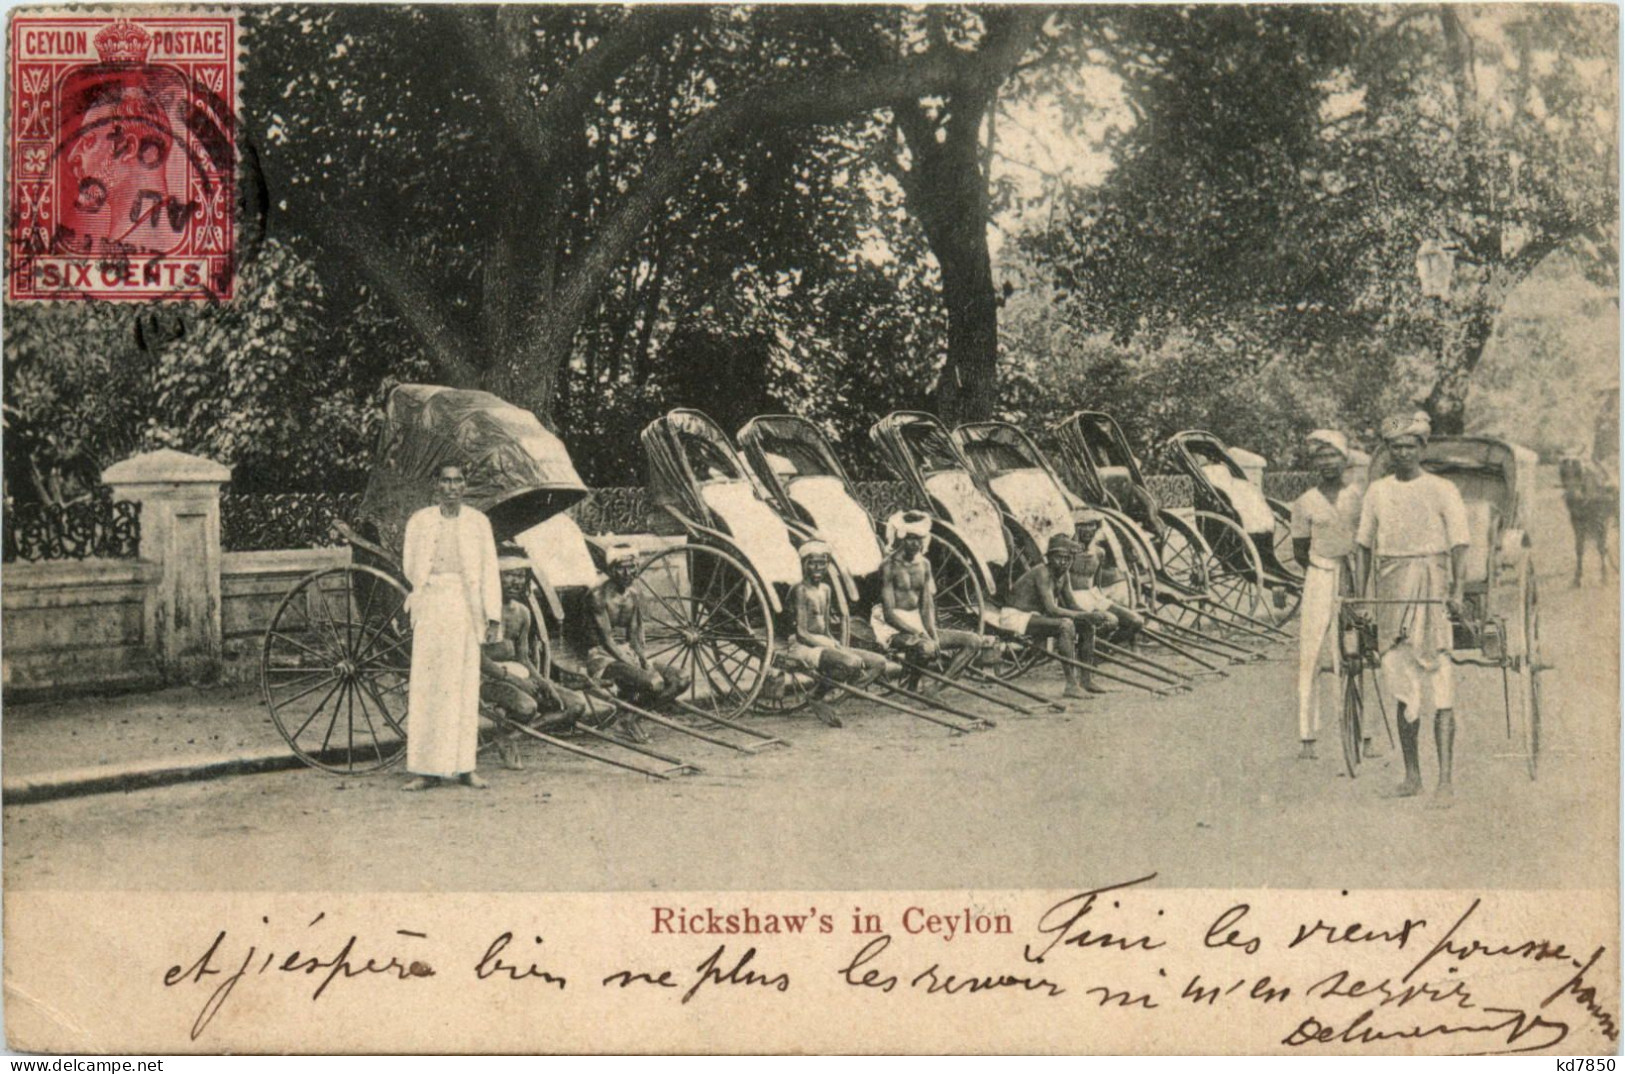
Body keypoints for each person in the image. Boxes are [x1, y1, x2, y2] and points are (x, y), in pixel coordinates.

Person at [1356, 412, 1470, 804]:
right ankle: (1412, 775)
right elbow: (1364, 547)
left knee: (1439, 679)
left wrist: (1457, 589)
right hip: (1391, 588)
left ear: (1422, 447)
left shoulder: (1442, 489)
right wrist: (1362, 595)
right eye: (1395, 446)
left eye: (1409, 445)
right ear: (1387, 450)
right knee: (1400, 679)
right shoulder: (1377, 492)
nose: (1402, 452)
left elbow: (1458, 543)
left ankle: (1446, 782)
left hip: (1432, 585)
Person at [401, 463, 502, 791]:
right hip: (431, 605)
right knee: (428, 686)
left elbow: (489, 571)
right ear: (436, 485)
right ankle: (425, 770)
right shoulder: (420, 521)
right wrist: (426, 589)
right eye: (445, 481)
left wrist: (492, 616)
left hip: (464, 606)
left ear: (465, 486)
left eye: (457, 481)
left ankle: (465, 767)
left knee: (463, 686)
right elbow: (410, 565)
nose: (451, 487)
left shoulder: (478, 523)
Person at [1289, 430, 1365, 761]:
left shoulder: (1358, 497)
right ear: (1315, 462)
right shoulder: (1306, 501)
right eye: (1321, 456)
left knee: (1358, 652)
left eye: (1333, 455)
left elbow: (1366, 541)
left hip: (1353, 576)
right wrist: (1322, 570)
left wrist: (1355, 578)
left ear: (1344, 459)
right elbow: (1300, 549)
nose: (1327, 462)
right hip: (1319, 574)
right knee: (1311, 651)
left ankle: (1366, 733)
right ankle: (1307, 734)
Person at [480, 568, 588, 770]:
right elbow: (478, 659)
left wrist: (543, 682)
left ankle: (510, 737)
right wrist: (515, 680)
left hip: (517, 674)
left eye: (520, 576)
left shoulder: (522, 612)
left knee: (575, 704)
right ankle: (509, 732)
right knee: (527, 707)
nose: (516, 581)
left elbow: (522, 657)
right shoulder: (481, 610)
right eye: (509, 575)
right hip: (487, 678)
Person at [586, 542, 690, 742]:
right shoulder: (598, 597)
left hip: (626, 653)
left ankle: (629, 718)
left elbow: (634, 635)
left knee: (681, 679)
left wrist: (643, 659)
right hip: (602, 658)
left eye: (631, 566)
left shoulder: (633, 594)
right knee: (654, 682)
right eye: (621, 567)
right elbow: (606, 640)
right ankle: (628, 721)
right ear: (610, 569)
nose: (627, 572)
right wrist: (632, 663)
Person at [785, 541, 900, 715]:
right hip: (803, 646)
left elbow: (826, 630)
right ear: (804, 564)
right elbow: (801, 633)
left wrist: (834, 643)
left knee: (878, 663)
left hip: (824, 643)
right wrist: (830, 646)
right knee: (852, 662)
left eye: (822, 563)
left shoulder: (826, 589)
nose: (818, 568)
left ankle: (836, 702)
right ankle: (817, 695)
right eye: (813, 563)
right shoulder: (800, 590)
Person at [871, 510, 988, 674]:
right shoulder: (889, 566)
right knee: (926, 647)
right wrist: (918, 633)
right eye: (911, 538)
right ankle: (913, 686)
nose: (916, 544)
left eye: (920, 539)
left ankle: (935, 688)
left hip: (918, 622)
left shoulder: (924, 565)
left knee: (973, 641)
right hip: (892, 627)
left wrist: (931, 633)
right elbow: (889, 614)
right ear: (901, 537)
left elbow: (926, 606)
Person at [1002, 534, 1102, 700]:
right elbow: (1052, 609)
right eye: (1059, 558)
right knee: (1065, 625)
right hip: (1016, 616)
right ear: (1050, 558)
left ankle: (1086, 679)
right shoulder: (1042, 573)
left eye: (1068, 558)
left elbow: (1071, 605)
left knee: (1087, 625)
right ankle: (1071, 685)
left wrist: (1090, 616)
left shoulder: (1063, 575)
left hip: (1034, 616)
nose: (1063, 562)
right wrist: (1085, 615)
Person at [1069, 508, 1144, 647]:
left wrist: (1105, 602)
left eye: (1091, 525)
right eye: (1082, 526)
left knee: (1136, 621)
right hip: (1073, 598)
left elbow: (1097, 585)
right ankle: (1088, 648)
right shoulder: (1065, 554)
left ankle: (1104, 647)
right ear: (1074, 528)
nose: (1088, 530)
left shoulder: (1099, 552)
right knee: (1110, 621)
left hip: (1094, 596)